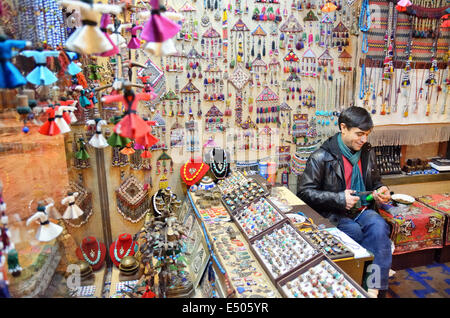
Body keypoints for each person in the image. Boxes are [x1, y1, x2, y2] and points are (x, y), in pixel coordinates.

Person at [298, 106, 392, 298]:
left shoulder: (366, 153)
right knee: (353, 232)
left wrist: (381, 191)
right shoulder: (321, 157)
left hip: (363, 209)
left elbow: (375, 183)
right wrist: (339, 199)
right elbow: (304, 193)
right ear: (343, 127)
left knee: (378, 226)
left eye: (367, 134)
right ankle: (348, 286)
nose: (364, 139)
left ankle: (373, 288)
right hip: (334, 213)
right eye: (359, 134)